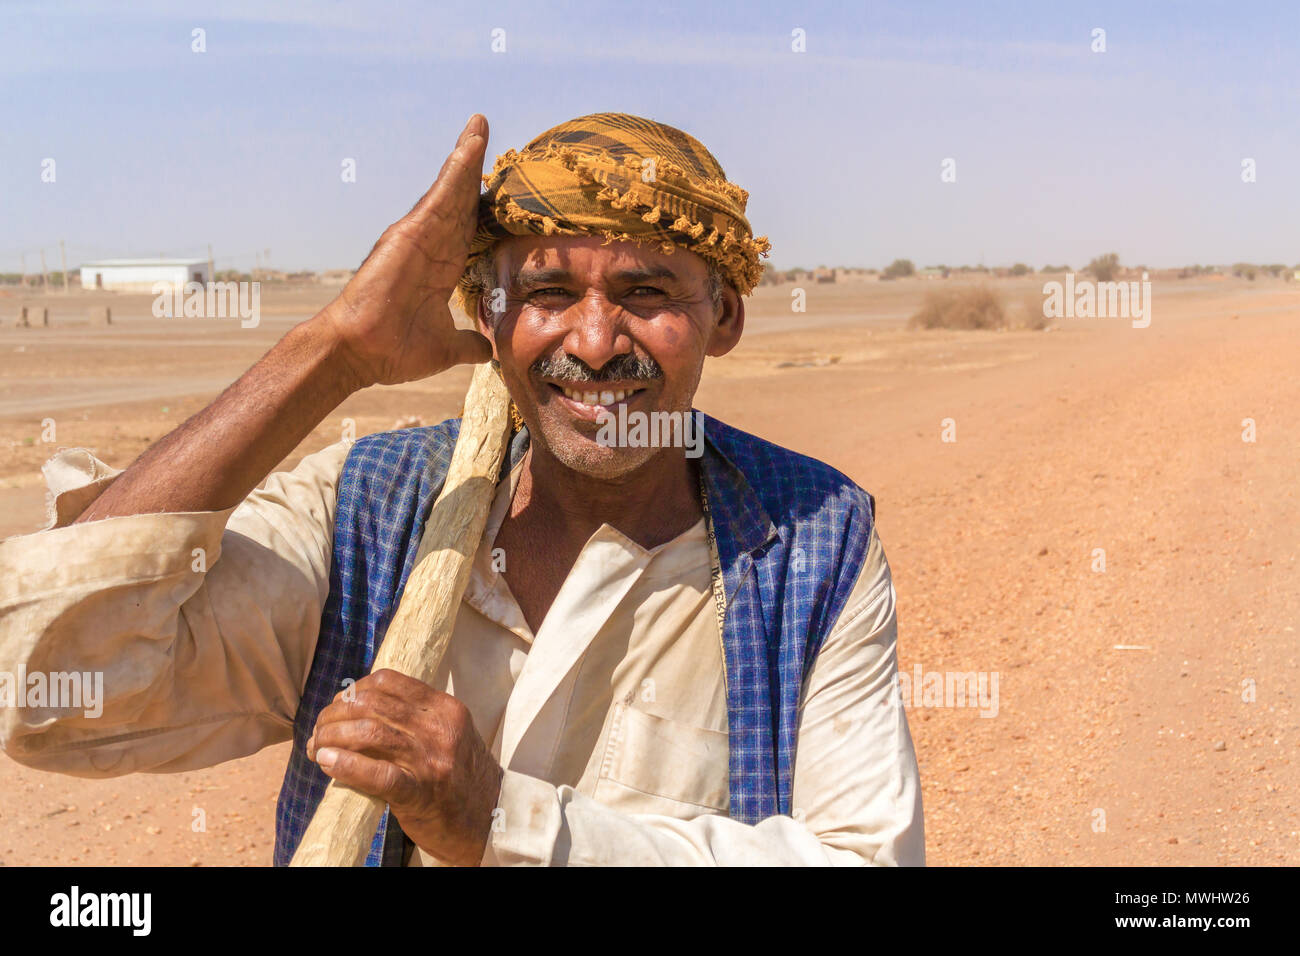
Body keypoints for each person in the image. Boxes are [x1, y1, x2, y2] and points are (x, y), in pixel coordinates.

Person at [0, 112, 924, 866]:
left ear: (722, 317)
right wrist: (334, 354)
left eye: (647, 292)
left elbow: (864, 860)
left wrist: (498, 818)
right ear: (488, 316)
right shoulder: (369, 512)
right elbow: (37, 681)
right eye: (548, 293)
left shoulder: (809, 542)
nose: (595, 342)